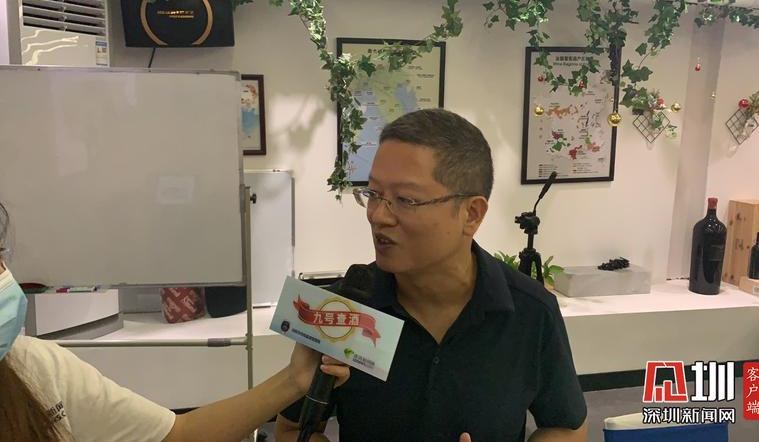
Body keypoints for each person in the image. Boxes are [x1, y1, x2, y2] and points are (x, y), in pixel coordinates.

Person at [276, 109, 588, 442]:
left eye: (406, 200)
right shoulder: (342, 309)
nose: (378, 216)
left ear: (471, 214)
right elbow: (292, 430)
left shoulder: (531, 311)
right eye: (373, 194)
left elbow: (566, 427)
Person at [0, 201, 350, 442]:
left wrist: (293, 380)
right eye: (372, 196)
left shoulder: (35, 366)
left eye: (0, 255)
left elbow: (178, 435)